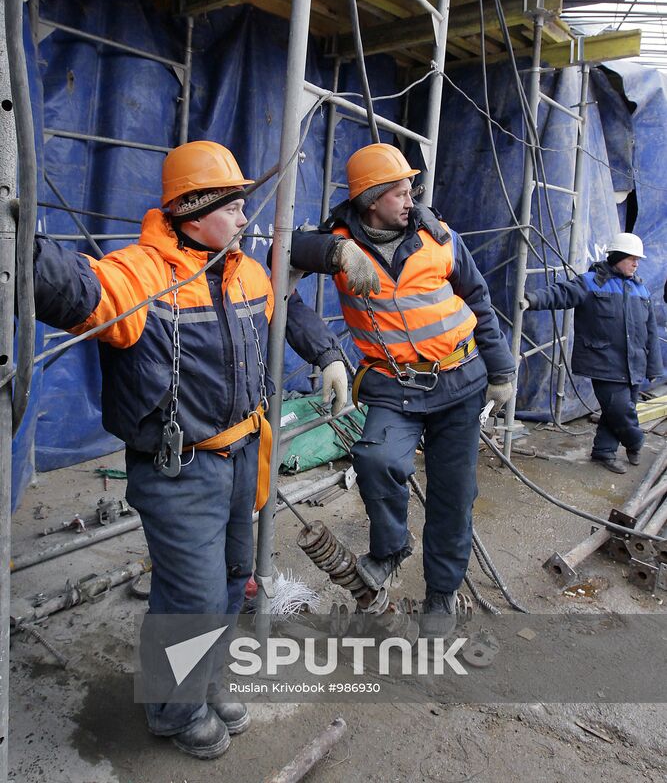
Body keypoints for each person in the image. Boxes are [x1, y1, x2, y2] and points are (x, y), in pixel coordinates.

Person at [32, 140, 347, 759]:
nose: (243, 217)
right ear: (194, 209)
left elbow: (285, 306)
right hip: (180, 470)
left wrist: (329, 354)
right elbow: (74, 288)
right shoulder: (140, 276)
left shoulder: (243, 269)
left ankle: (203, 683)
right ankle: (174, 712)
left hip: (242, 461)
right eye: (232, 205)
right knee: (192, 599)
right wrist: (20, 243)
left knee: (233, 584)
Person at [288, 143, 515, 633]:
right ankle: (391, 549)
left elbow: (478, 298)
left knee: (453, 495)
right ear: (371, 199)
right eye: (400, 192)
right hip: (396, 386)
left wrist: (502, 371)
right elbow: (282, 251)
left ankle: (441, 595)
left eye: (411, 190)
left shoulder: (439, 236)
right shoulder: (339, 241)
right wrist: (338, 251)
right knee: (376, 459)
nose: (411, 200)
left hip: (460, 378)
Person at [521, 231, 663, 475]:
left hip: (634, 364)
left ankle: (604, 452)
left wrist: (654, 368)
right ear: (617, 257)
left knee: (614, 411)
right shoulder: (591, 282)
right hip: (604, 362)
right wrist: (531, 299)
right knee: (620, 409)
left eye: (638, 259)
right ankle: (635, 441)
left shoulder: (642, 291)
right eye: (632, 258)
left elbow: (650, 333)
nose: (636, 263)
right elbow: (561, 293)